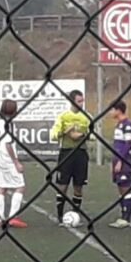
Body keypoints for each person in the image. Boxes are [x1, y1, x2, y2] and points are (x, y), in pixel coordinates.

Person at [49, 89, 91, 225]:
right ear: (72, 101)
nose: (81, 103)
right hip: (66, 153)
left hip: (81, 154)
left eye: (82, 100)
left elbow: (94, 135)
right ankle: (60, 216)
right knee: (63, 185)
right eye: (79, 101)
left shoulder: (87, 117)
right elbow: (53, 135)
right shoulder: (63, 117)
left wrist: (83, 136)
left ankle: (75, 214)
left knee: (78, 186)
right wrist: (64, 132)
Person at [0, 99, 26, 228]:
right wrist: (16, 162)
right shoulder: (8, 124)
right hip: (8, 159)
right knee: (20, 186)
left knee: (1, 187)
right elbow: (7, 143)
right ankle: (12, 217)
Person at [108, 100, 131, 229]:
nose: (110, 112)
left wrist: (120, 161)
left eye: (112, 110)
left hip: (124, 161)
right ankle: (123, 215)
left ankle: (126, 218)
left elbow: (127, 144)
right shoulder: (119, 125)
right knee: (120, 187)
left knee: (125, 187)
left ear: (118, 110)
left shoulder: (127, 125)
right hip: (117, 159)